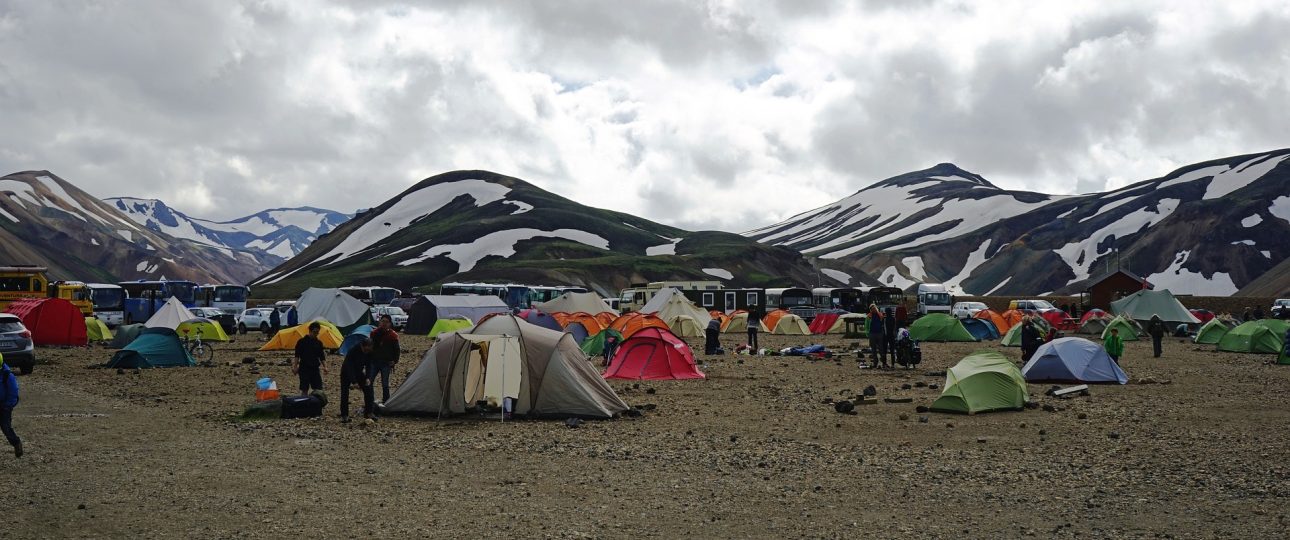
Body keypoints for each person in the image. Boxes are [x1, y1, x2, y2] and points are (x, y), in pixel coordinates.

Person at [339, 337, 375, 422]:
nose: (367, 351)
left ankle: (369, 412)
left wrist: (368, 378)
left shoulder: (369, 352)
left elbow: (369, 365)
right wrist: (354, 382)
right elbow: (349, 367)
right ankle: (344, 415)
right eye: (366, 349)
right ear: (362, 346)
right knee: (345, 393)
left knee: (369, 389)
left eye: (369, 349)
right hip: (346, 373)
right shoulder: (353, 350)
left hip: (359, 372)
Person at [369, 314, 401, 403]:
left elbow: (397, 350)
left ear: (390, 324)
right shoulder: (374, 333)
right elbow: (370, 347)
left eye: (387, 322)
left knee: (385, 384)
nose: (384, 323)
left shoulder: (393, 335)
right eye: (383, 321)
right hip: (374, 361)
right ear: (380, 322)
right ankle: (370, 400)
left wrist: (395, 361)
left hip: (386, 363)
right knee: (369, 382)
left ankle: (386, 401)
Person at [292, 322, 327, 395]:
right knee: (304, 389)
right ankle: (304, 404)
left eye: (317, 332)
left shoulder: (319, 343)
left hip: (315, 368)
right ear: (310, 331)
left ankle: (316, 405)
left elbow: (321, 356)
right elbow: (297, 356)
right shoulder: (301, 342)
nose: (316, 334)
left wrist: (325, 367)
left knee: (318, 389)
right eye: (314, 332)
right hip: (304, 368)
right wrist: (295, 367)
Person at [1, 357, 22, 458]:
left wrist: (7, 406)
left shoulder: (7, 375)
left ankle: (16, 443)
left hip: (4, 407)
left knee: (6, 428)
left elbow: (13, 393)